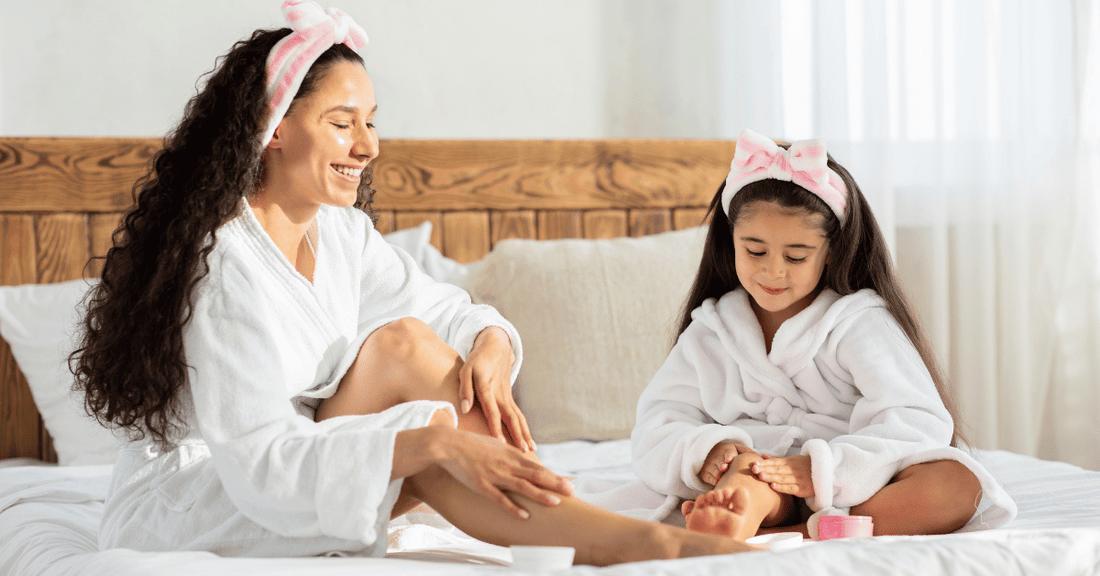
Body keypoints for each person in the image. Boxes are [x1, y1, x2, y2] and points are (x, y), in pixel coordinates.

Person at [72, 1, 755, 565]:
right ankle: (628, 540)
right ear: (274, 130)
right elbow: (261, 466)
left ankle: (589, 531)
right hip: (209, 499)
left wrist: (489, 341)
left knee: (408, 352)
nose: (368, 147)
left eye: (371, 124)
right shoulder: (223, 268)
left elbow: (440, 310)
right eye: (342, 125)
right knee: (419, 415)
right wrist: (431, 441)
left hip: (302, 472)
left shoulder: (337, 234)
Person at [630, 129, 1017, 541]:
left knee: (958, 484)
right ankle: (745, 509)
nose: (772, 271)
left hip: (856, 484)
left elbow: (915, 418)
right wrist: (709, 449)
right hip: (757, 471)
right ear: (731, 242)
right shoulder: (712, 331)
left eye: (796, 256)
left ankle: (800, 528)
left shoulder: (858, 323)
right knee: (746, 475)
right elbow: (659, 419)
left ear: (831, 251)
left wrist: (821, 469)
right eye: (755, 251)